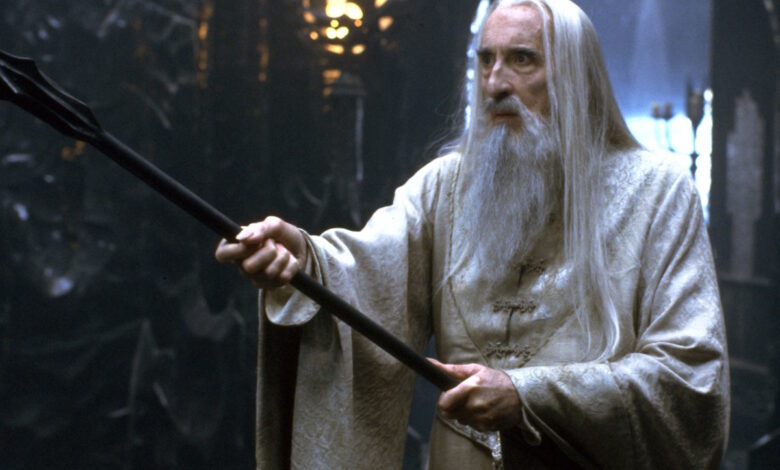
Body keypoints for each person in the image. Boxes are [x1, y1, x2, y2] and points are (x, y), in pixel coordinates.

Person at [215, 0, 730, 468]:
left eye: (522, 59)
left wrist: (525, 394)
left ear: (577, 77)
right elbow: (368, 274)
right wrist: (303, 261)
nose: (495, 83)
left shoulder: (657, 192)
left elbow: (690, 377)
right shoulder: (446, 187)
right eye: (486, 60)